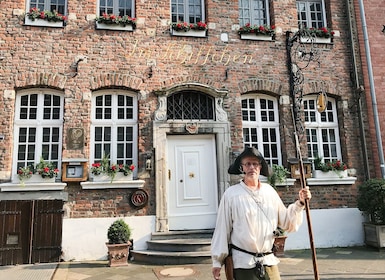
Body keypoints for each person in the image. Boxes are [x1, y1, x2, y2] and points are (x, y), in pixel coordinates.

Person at [211, 146, 312, 280]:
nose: (251, 167)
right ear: (242, 168)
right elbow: (222, 229)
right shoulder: (231, 195)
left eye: (255, 164)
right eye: (247, 164)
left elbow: (286, 223)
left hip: (268, 261)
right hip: (243, 264)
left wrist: (300, 203)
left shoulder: (269, 192)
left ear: (260, 167)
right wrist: (217, 261)